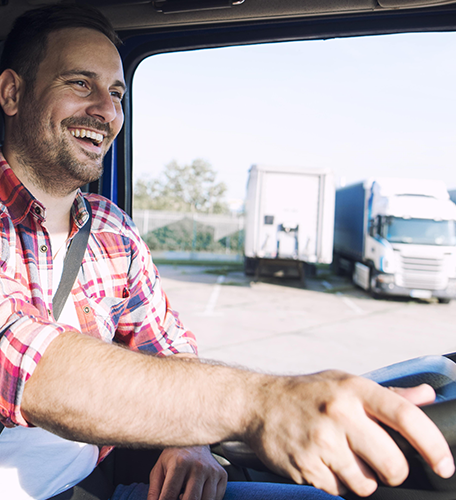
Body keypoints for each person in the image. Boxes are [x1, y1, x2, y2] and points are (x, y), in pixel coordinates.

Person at [0, 4, 453, 500]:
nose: (107, 112)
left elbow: (165, 346)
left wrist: (190, 438)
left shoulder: (112, 229)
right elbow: (26, 361)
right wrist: (261, 403)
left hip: (91, 485)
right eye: (80, 84)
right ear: (12, 92)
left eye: (116, 93)